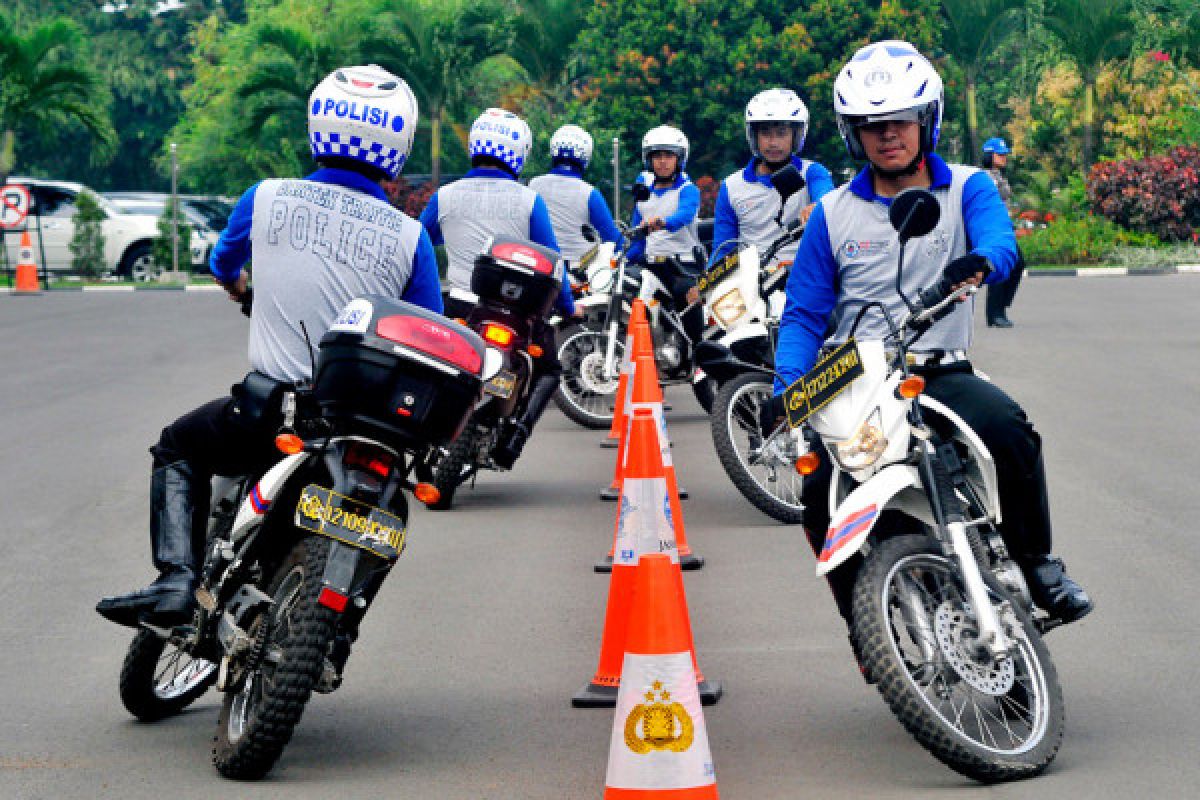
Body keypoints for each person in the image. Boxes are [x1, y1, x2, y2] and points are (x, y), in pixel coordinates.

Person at [97, 65, 443, 634]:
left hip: (275, 413)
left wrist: (242, 289)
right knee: (387, 515)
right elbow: (428, 329)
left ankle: (177, 579)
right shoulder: (411, 239)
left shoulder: (268, 196)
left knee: (178, 447)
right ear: (398, 149)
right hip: (363, 430)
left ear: (318, 128)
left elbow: (222, 265)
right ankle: (340, 627)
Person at [774, 40, 1092, 634]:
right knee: (818, 501)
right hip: (853, 380)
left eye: (898, 121)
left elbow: (1000, 243)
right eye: (870, 126)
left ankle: (1039, 564)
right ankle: (866, 630)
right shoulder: (832, 213)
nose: (885, 136)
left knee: (1009, 429)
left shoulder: (969, 186)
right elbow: (803, 315)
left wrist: (976, 264)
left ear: (927, 121)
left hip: (937, 368)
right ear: (852, 133)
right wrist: (789, 384)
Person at [419, 108, 578, 468]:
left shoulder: (445, 196)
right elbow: (553, 262)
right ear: (518, 152)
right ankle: (516, 435)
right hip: (517, 314)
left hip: (460, 306)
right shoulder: (528, 200)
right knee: (550, 370)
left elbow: (417, 243)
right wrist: (567, 307)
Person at [711, 88, 835, 265]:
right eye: (765, 132)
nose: (773, 142)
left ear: (796, 135)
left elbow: (827, 197)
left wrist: (817, 205)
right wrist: (705, 287)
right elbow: (722, 250)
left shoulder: (812, 172)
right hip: (750, 281)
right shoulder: (731, 186)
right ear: (754, 136)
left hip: (801, 275)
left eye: (782, 132)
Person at [627, 125, 704, 339]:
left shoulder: (688, 189)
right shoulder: (644, 188)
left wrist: (663, 222)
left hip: (682, 265)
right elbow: (636, 233)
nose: (662, 161)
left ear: (679, 159)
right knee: (625, 286)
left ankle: (698, 351)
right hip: (651, 263)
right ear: (648, 159)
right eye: (657, 156)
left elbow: (685, 215)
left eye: (668, 155)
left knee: (687, 296)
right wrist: (620, 257)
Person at [528, 124, 623, 273]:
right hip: (577, 272)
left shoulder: (534, 184)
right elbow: (612, 238)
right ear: (585, 156)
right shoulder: (590, 193)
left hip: (538, 265)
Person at [981, 136, 1024, 328]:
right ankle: (995, 313)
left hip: (1004, 228)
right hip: (994, 229)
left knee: (1017, 264)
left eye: (1005, 154)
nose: (1004, 157)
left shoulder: (998, 176)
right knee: (1002, 268)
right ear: (989, 155)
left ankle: (1000, 309)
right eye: (1000, 154)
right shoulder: (985, 177)